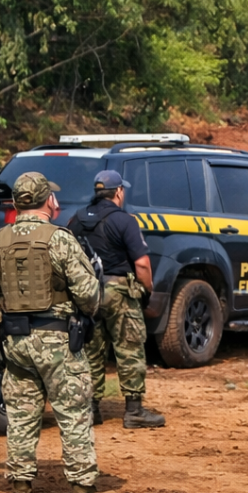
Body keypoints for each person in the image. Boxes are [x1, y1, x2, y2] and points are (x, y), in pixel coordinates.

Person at [0, 172, 117, 493]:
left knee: (22, 415)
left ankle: (22, 492)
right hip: (57, 340)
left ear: (16, 203)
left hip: (15, 341)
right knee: (72, 413)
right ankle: (83, 491)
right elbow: (88, 295)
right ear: (48, 202)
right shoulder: (60, 239)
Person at [67, 169, 165, 429]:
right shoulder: (124, 221)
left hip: (88, 294)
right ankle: (134, 411)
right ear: (119, 192)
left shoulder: (77, 219)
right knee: (129, 348)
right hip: (120, 292)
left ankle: (91, 409)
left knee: (91, 351)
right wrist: (147, 290)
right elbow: (142, 265)